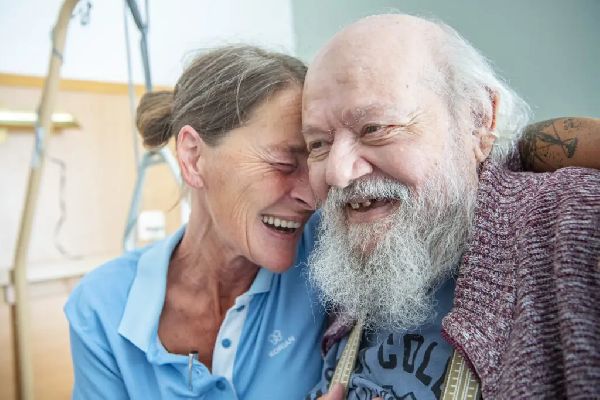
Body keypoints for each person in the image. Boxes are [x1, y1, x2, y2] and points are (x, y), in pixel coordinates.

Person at [301, 14, 600, 399]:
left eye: (375, 128)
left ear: (478, 118)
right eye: (318, 144)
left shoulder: (568, 222)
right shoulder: (345, 250)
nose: (338, 174)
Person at [64, 45, 327, 399]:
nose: (311, 197)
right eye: (283, 163)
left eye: (315, 164)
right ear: (193, 157)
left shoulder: (327, 259)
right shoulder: (103, 306)